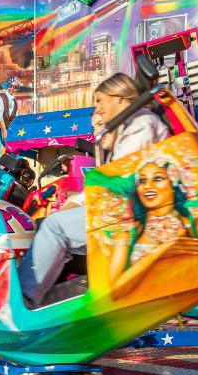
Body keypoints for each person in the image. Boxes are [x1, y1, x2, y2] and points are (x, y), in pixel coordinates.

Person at [16, 72, 167, 307]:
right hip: (133, 212)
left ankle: (23, 301)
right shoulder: (134, 125)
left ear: (118, 98)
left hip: (137, 215)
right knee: (57, 229)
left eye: (99, 100)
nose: (98, 108)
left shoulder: (141, 123)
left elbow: (120, 177)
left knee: (55, 227)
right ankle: (53, 302)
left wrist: (77, 202)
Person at [106, 160, 198, 299]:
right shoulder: (129, 231)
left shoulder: (191, 225)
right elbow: (115, 292)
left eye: (157, 178)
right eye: (143, 181)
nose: (148, 186)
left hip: (184, 311)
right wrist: (160, 252)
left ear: (173, 184)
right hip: (145, 312)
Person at [0, 77, 20, 166]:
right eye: (11, 86)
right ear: (7, 86)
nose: (12, 89)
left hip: (9, 131)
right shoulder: (0, 97)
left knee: (17, 154)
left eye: (15, 87)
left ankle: (16, 172)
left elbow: (16, 119)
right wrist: (4, 130)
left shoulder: (15, 102)